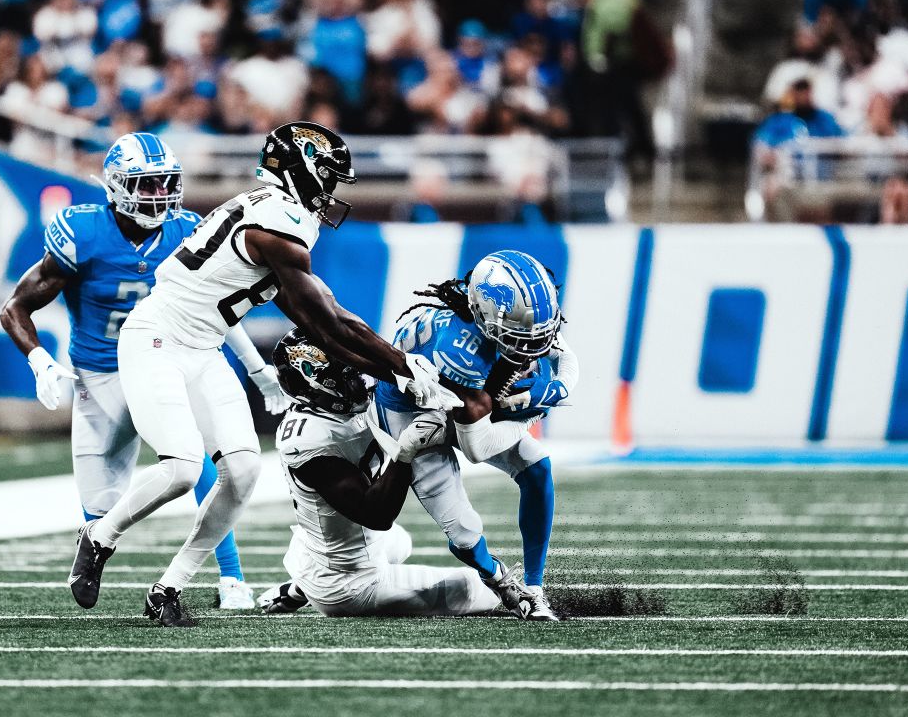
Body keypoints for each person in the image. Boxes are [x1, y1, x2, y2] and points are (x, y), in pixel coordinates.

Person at [77, 121, 461, 627]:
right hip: (156, 340)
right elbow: (328, 321)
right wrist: (399, 364)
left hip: (203, 345)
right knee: (182, 467)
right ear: (299, 168)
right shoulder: (277, 224)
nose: (329, 187)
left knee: (243, 469)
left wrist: (396, 372)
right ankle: (100, 536)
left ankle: (168, 588)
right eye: (324, 173)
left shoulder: (275, 212)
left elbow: (322, 325)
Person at [0, 133, 289, 610]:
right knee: (101, 499)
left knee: (204, 460)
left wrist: (257, 368)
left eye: (164, 183)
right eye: (145, 184)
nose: (158, 195)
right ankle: (95, 543)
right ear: (115, 186)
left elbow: (218, 309)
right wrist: (39, 360)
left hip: (172, 352)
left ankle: (231, 577)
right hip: (103, 372)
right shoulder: (83, 232)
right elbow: (16, 307)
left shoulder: (187, 231)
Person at [370, 250, 579, 620]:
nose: (533, 345)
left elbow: (563, 357)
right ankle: (499, 579)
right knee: (465, 533)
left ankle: (534, 586)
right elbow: (477, 448)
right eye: (521, 336)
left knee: (537, 466)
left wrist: (549, 389)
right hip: (413, 415)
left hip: (461, 401)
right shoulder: (460, 350)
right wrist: (532, 409)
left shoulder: (508, 316)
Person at [257, 329, 501, 617]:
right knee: (476, 590)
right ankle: (313, 587)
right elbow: (377, 514)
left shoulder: (339, 407)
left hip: (320, 547)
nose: (361, 384)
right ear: (313, 383)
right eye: (347, 378)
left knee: (401, 542)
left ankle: (299, 587)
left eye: (357, 373)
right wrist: (405, 453)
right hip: (349, 582)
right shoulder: (307, 439)